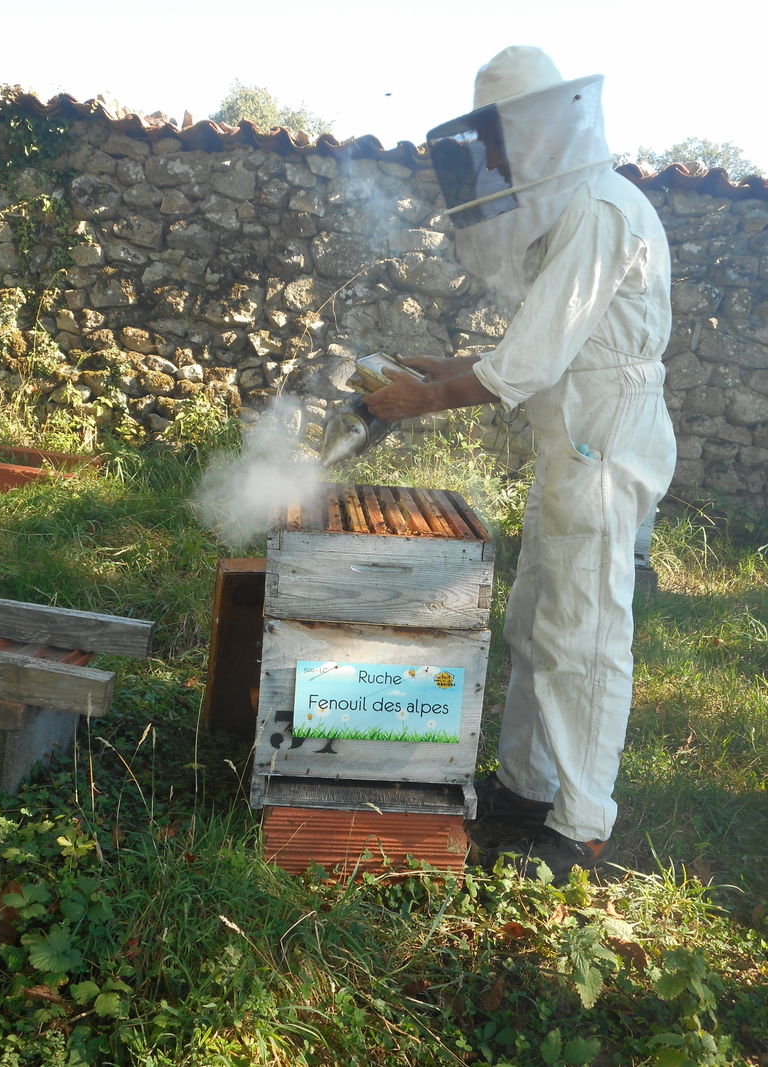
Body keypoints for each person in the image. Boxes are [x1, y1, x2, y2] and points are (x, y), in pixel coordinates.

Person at [364, 45, 677, 882]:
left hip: (605, 440)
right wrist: (443, 367)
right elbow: (546, 342)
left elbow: (532, 359)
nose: (495, 162)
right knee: (538, 619)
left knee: (587, 631)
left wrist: (423, 399)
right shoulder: (578, 209)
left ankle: (580, 826)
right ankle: (526, 789)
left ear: (541, 130)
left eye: (502, 143)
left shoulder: (601, 210)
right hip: (575, 435)